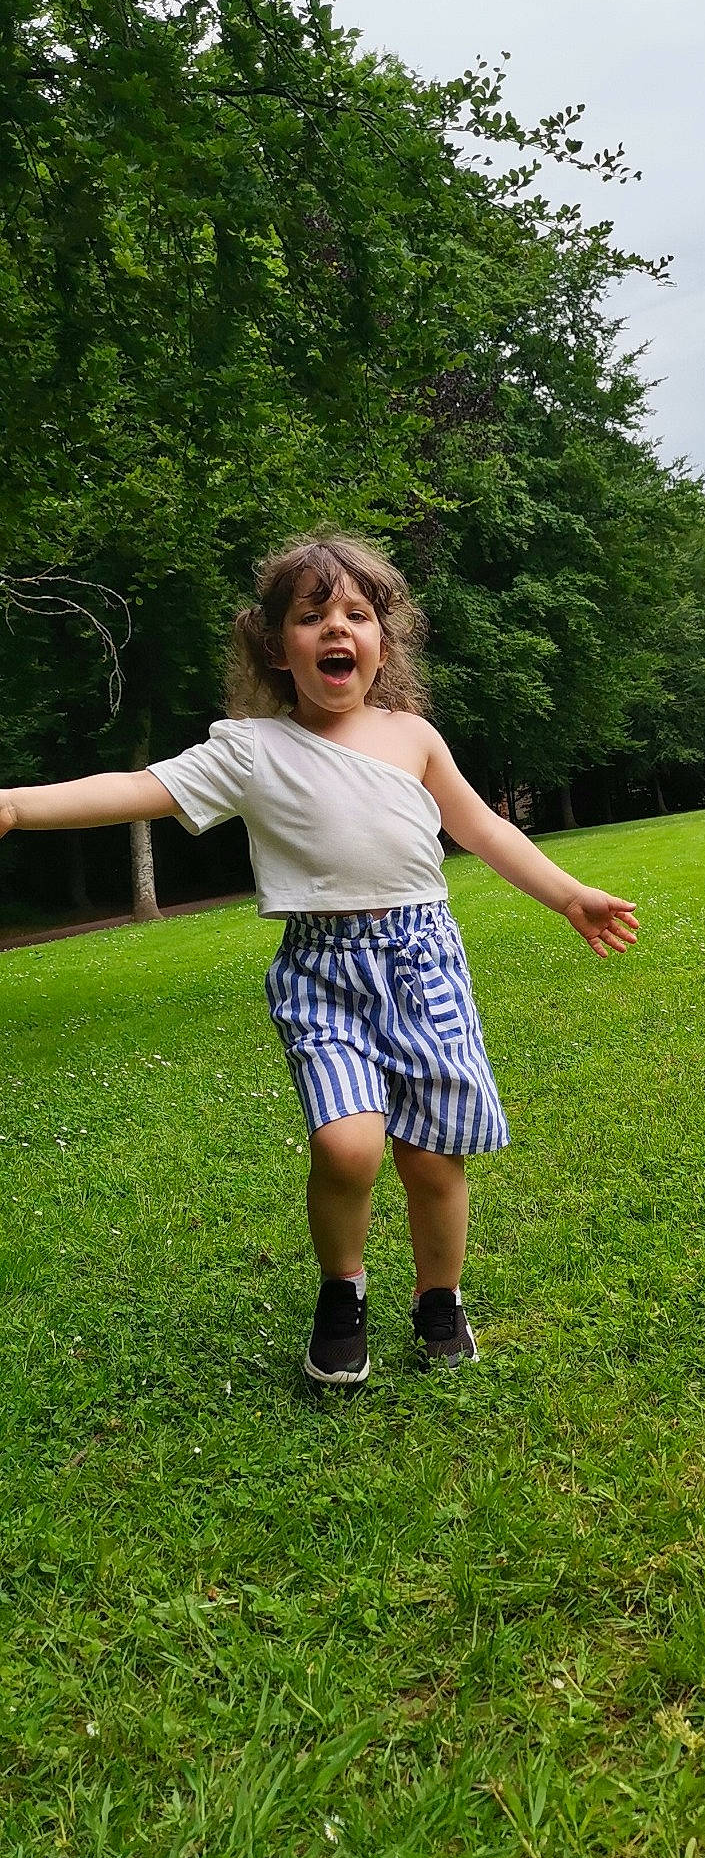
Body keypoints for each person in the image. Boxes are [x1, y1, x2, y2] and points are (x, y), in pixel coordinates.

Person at [0, 534, 639, 1389]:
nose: (336, 628)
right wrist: (13, 804)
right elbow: (135, 787)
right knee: (348, 1148)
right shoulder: (249, 749)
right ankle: (343, 1290)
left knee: (431, 1158)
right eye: (311, 616)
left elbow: (482, 829)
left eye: (356, 614)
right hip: (322, 970)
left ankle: (438, 1299)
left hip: (422, 962)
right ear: (276, 645)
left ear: (383, 639)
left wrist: (568, 895)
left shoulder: (412, 736)